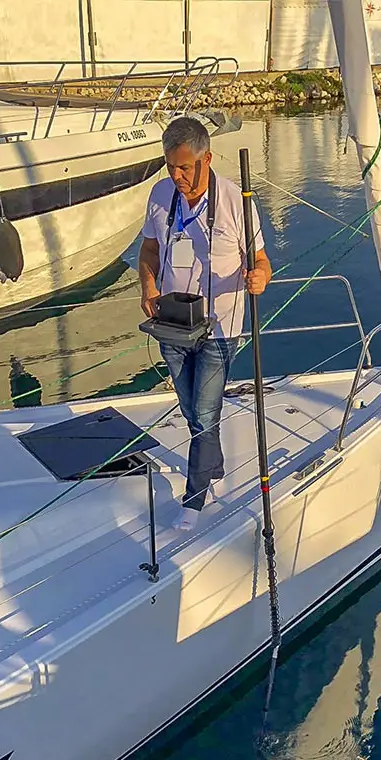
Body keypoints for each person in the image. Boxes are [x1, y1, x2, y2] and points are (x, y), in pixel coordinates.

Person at [138, 116, 272, 530]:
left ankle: (194, 498)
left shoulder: (236, 201)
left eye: (184, 167)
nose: (176, 176)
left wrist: (259, 278)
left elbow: (262, 262)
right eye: (170, 166)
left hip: (220, 326)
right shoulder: (160, 196)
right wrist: (147, 289)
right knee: (192, 410)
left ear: (206, 158)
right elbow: (148, 252)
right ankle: (212, 464)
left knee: (204, 410)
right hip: (173, 324)